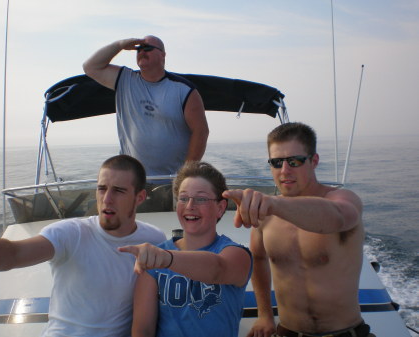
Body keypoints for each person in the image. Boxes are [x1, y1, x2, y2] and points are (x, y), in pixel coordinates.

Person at [0, 154, 166, 337]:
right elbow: (13, 254)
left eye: (119, 191)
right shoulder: (70, 233)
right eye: (102, 188)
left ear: (139, 197)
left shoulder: (154, 239)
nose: (107, 199)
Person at [223, 122, 375, 337]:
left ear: (314, 161)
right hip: (288, 331)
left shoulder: (342, 199)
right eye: (277, 162)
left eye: (294, 161)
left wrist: (274, 204)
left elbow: (339, 216)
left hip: (345, 332)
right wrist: (265, 315)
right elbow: (258, 258)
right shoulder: (267, 215)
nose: (285, 171)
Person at [119, 161, 252, 337]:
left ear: (220, 208)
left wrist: (167, 259)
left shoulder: (236, 254)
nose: (190, 206)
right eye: (183, 198)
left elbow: (217, 269)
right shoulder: (154, 258)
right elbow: (143, 329)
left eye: (201, 198)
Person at [83, 35, 209, 176]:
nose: (142, 52)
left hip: (171, 180)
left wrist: (186, 174)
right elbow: (90, 67)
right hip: (132, 179)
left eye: (148, 48)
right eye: (139, 49)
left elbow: (201, 131)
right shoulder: (125, 80)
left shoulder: (184, 90)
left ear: (163, 55)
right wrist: (120, 45)